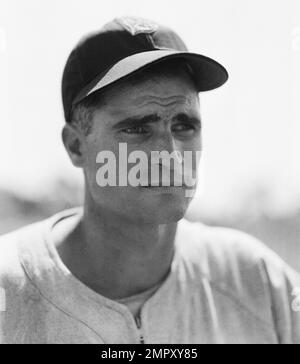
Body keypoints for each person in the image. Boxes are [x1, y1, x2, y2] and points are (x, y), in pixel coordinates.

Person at [0, 16, 299, 344]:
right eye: (137, 129)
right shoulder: (9, 293)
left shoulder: (256, 282)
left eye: (184, 126)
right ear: (75, 146)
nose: (169, 153)